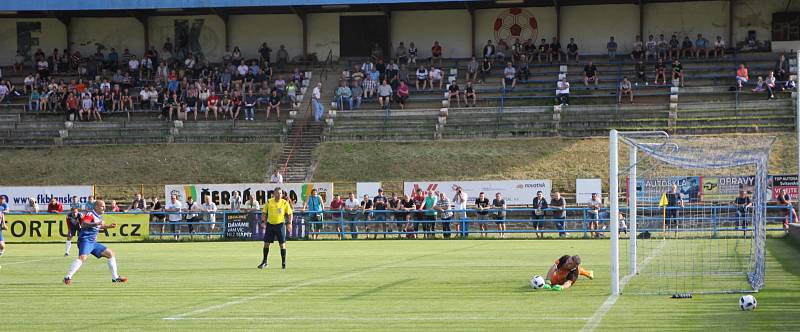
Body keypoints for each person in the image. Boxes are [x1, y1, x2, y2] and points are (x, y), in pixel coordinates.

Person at [63, 199, 128, 285]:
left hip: (93, 242)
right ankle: (67, 277)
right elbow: (84, 224)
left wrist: (108, 226)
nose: (104, 208)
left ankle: (115, 278)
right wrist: (97, 223)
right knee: (82, 258)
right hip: (85, 240)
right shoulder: (91, 214)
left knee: (111, 254)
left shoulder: (99, 216)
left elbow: (98, 226)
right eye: (102, 206)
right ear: (96, 207)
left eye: (104, 206)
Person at [258, 187, 293, 269]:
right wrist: (263, 222)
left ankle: (283, 263)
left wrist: (289, 223)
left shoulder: (284, 203)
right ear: (274, 194)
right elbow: (264, 213)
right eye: (277, 193)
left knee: (282, 244)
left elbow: (290, 214)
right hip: (270, 225)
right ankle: (264, 262)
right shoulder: (269, 202)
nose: (279, 195)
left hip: (280, 225)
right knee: (266, 243)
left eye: (280, 193)